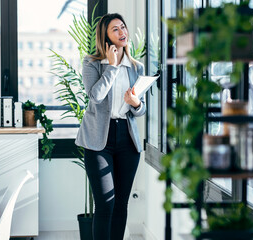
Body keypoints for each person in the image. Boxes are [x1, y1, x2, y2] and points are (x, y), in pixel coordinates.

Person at [75, 13, 145, 240]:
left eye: (123, 27)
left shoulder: (137, 67)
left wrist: (136, 104)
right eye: (115, 29)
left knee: (121, 205)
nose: (122, 32)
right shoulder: (92, 63)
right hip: (98, 139)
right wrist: (112, 67)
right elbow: (95, 97)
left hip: (127, 137)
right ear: (105, 36)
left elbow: (142, 110)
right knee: (105, 205)